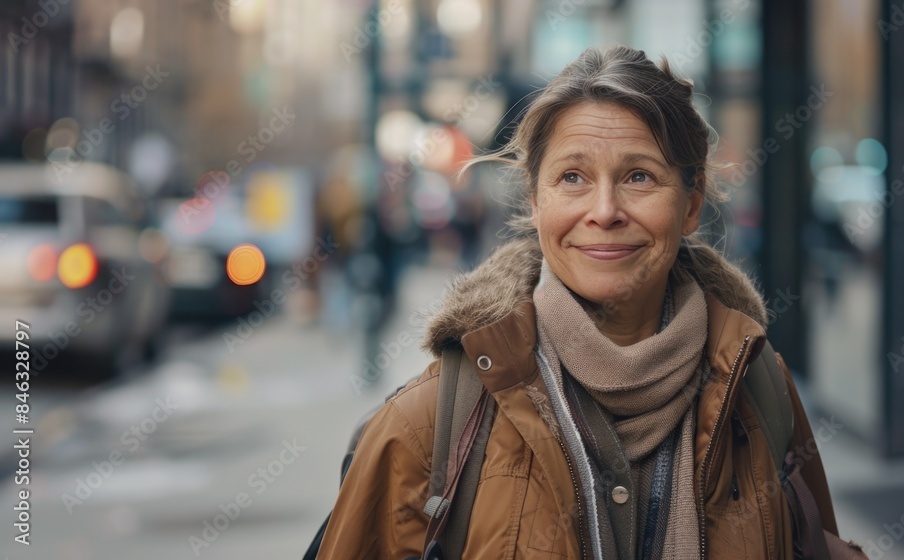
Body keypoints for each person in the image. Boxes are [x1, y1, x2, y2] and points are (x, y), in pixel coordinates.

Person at [316, 45, 853, 559]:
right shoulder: (427, 425)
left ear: (690, 205)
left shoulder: (760, 390)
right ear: (535, 201)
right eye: (572, 177)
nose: (605, 210)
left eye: (639, 176)